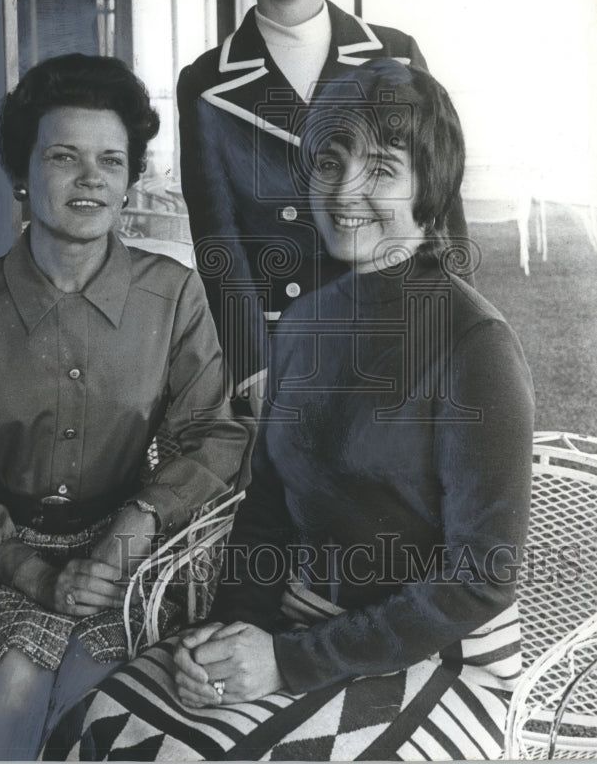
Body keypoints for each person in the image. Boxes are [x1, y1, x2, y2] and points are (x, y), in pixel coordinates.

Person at [72, 59, 534, 761]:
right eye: (329, 160)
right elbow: (268, 507)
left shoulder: (474, 344)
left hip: (439, 657)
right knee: (110, 713)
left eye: (381, 167)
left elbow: (480, 577)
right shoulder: (304, 326)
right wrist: (225, 639)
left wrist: (286, 665)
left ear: (428, 186)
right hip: (301, 626)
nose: (346, 191)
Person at [0, 54, 251, 760]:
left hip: (126, 564)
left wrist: (129, 533)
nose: (90, 177)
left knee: (99, 683)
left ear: (128, 180)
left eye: (111, 161)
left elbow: (212, 436)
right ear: (23, 175)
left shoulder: (174, 295)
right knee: (21, 672)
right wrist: (36, 574)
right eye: (64, 156)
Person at [178, 0, 470, 413]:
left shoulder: (395, 54)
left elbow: (440, 209)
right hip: (283, 352)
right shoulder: (205, 83)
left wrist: (451, 332)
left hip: (396, 332)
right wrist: (254, 371)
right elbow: (219, 242)